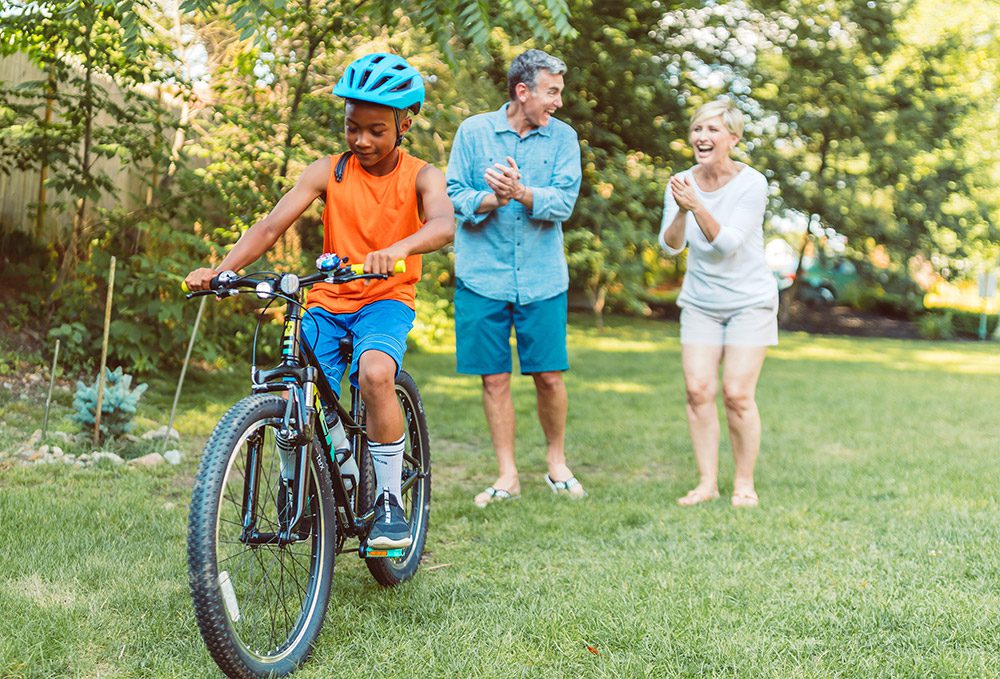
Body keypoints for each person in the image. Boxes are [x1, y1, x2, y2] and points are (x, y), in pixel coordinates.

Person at [185, 53, 455, 546]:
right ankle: (297, 488)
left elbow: (442, 225)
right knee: (294, 391)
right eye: (353, 127)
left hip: (385, 297)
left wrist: (396, 249)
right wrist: (222, 272)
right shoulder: (327, 171)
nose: (361, 140)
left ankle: (389, 499)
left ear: (405, 124)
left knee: (376, 374)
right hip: (328, 300)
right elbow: (270, 227)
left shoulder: (421, 175)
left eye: (376, 129)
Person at [446, 49, 584, 507]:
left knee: (548, 376)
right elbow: (454, 195)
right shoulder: (474, 132)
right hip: (482, 276)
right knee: (494, 379)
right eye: (552, 92)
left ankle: (556, 462)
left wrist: (521, 192)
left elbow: (564, 203)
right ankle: (507, 474)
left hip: (543, 279)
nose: (558, 102)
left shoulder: (563, 139)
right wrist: (493, 198)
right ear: (523, 92)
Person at [658, 98, 776, 508]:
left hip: (750, 301)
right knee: (697, 389)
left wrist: (697, 206)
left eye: (712, 130)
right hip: (701, 301)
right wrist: (679, 211)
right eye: (697, 130)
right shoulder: (680, 181)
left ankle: (744, 483)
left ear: (733, 138)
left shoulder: (752, 183)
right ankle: (707, 483)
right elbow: (669, 247)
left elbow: (726, 244)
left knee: (737, 393)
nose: (702, 137)